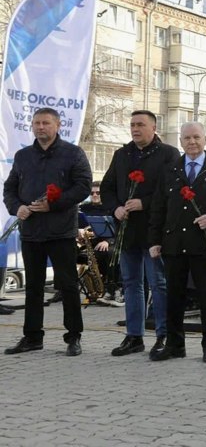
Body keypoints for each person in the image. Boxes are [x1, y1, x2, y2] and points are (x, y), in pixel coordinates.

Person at [3, 107, 92, 356]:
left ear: (57, 125)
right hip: (31, 232)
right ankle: (32, 337)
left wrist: (54, 203)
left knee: (67, 285)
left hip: (61, 232)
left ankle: (73, 336)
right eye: (36, 123)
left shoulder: (72, 154)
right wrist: (17, 207)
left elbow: (83, 186)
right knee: (33, 286)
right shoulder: (23, 156)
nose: (40, 127)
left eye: (45, 123)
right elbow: (9, 189)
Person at [147, 122, 206, 363]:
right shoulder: (170, 171)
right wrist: (155, 240)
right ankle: (175, 344)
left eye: (196, 137)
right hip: (174, 243)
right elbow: (158, 208)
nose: (192, 142)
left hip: (205, 244)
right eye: (187, 138)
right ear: (181, 141)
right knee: (174, 297)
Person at [101, 110, 179, 358]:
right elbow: (107, 187)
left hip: (155, 228)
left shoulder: (168, 154)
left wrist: (144, 203)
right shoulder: (122, 154)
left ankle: (163, 335)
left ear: (154, 127)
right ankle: (134, 336)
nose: (135, 129)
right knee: (131, 283)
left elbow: (172, 188)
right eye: (132, 124)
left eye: (141, 125)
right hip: (127, 230)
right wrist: (115, 208)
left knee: (158, 283)